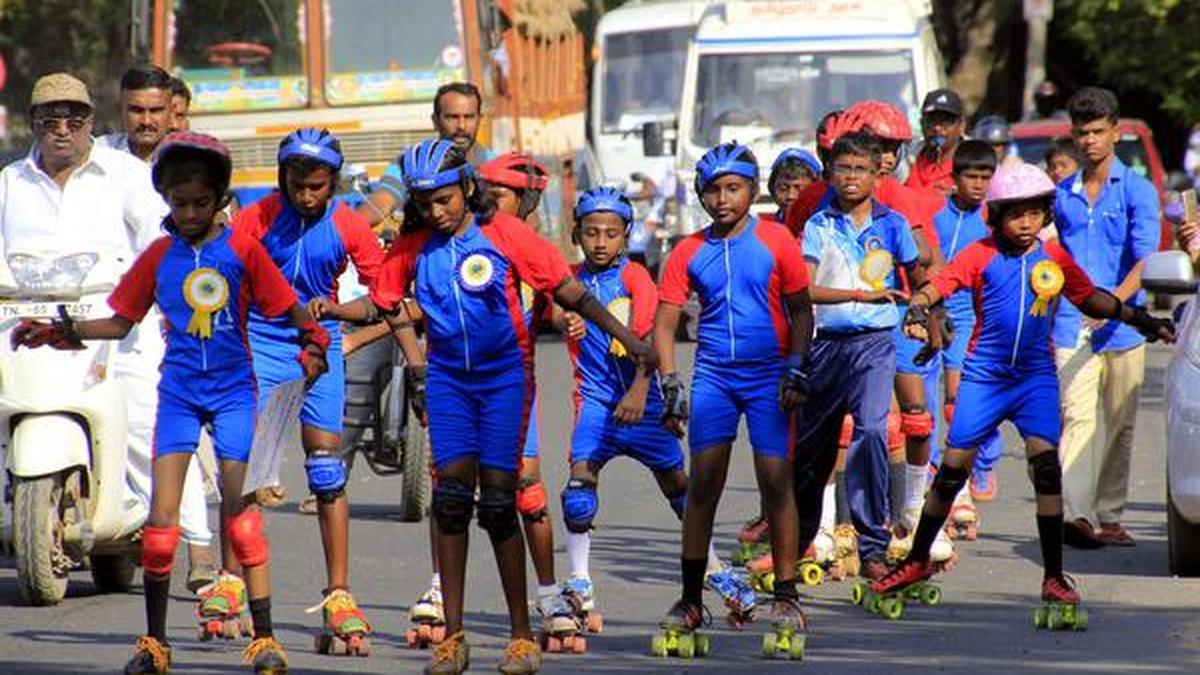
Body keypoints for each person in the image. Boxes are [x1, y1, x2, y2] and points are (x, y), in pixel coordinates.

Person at [320, 139, 656, 675]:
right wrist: (341, 315)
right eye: (425, 202)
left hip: (505, 379)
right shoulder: (413, 246)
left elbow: (569, 292)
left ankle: (521, 638)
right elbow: (383, 303)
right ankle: (453, 639)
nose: (436, 211)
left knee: (499, 504)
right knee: (451, 502)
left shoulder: (505, 233)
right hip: (448, 382)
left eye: (445, 199)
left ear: (466, 188)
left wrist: (630, 339)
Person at [12, 132, 332, 675]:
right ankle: (155, 643)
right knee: (161, 529)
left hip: (234, 392)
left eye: (200, 203)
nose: (188, 213)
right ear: (165, 199)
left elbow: (291, 310)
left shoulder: (244, 251)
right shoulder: (159, 256)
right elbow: (121, 320)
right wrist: (61, 330)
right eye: (178, 203)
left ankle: (266, 640)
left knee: (242, 521)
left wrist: (315, 345)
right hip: (179, 393)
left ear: (221, 199)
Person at [872, 162, 1173, 613]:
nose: (1027, 223)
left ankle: (1054, 577)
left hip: (1034, 378)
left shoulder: (1054, 257)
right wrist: (919, 303)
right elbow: (941, 283)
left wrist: (1140, 318)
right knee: (952, 470)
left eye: (1034, 213)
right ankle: (917, 560)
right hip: (985, 376)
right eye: (1016, 214)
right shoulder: (979, 254)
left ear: (1046, 214)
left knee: (1046, 468)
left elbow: (1090, 297)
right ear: (997, 216)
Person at [0, 73, 216, 590]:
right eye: (50, 119)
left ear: (90, 122)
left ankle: (199, 548)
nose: (62, 129)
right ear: (33, 123)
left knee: (149, 424)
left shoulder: (125, 175)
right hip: (23, 321)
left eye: (73, 119)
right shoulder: (9, 183)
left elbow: (163, 243)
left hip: (116, 324)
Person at [556, 186, 755, 635]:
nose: (600, 242)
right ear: (576, 235)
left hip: (643, 406)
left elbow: (649, 338)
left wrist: (641, 392)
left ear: (626, 236)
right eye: (591, 232)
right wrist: (564, 319)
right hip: (595, 403)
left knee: (681, 493)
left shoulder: (636, 279)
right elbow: (552, 313)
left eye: (610, 233)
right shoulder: (570, 279)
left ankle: (717, 572)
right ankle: (579, 582)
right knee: (578, 494)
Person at [652, 142, 813, 647]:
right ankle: (691, 599)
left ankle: (786, 595)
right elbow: (664, 324)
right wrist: (670, 382)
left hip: (770, 375)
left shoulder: (777, 240)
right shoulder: (687, 250)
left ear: (752, 189)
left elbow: (802, 311)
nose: (722, 199)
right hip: (715, 376)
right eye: (712, 191)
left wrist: (796, 369)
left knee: (776, 482)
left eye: (733, 188)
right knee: (703, 484)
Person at [234, 128, 383, 654]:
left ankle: (339, 593)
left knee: (326, 468)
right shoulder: (256, 216)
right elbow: (227, 273)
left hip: (323, 338)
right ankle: (232, 582)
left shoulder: (348, 223)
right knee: (247, 461)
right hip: (262, 336)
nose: (306, 196)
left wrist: (343, 313)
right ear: (282, 179)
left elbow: (383, 294)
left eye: (317, 186)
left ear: (333, 183)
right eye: (296, 185)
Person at [791, 130, 925, 582]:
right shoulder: (819, 225)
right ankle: (800, 541)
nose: (851, 177)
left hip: (875, 343)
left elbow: (920, 276)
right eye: (844, 168)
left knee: (871, 430)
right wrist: (858, 296)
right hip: (826, 343)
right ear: (830, 172)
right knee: (813, 451)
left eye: (861, 169)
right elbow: (805, 289)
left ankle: (872, 545)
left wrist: (922, 309)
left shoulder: (893, 225)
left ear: (877, 175)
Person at [476, 152, 583, 637]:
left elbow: (556, 302)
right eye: (487, 195)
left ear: (526, 202)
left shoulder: (534, 247)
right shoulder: (466, 238)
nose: (489, 204)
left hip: (513, 383)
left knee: (527, 487)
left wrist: (567, 318)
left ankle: (548, 592)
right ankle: (437, 588)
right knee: (450, 492)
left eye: (499, 196)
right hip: (458, 381)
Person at [1053, 87, 1162, 549]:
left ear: (1115, 132)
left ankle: (1109, 515)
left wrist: (1112, 303)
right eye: (1082, 133)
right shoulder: (1062, 195)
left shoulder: (1138, 190)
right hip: (1070, 322)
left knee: (1119, 424)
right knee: (1077, 416)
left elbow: (1146, 258)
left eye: (1098, 131)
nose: (1090, 141)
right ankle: (1077, 516)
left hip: (1124, 325)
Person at [931, 140, 1004, 501]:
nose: (978, 185)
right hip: (930, 310)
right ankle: (932, 466)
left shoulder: (994, 220)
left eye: (986, 178)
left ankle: (984, 463)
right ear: (954, 177)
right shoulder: (934, 213)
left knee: (961, 395)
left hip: (969, 315)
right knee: (924, 397)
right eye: (971, 177)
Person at [357, 82, 490, 229]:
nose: (461, 126)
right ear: (435, 121)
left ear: (480, 120)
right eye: (452, 117)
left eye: (469, 117)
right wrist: (348, 230)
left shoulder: (495, 165)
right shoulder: (412, 163)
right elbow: (381, 202)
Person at [97, 66, 174, 162]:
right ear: (121, 110)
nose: (146, 122)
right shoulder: (99, 153)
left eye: (155, 111)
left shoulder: (188, 157)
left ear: (171, 111)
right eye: (137, 110)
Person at [907, 88, 967, 197]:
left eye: (946, 121)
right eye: (931, 120)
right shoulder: (907, 159)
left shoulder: (975, 165)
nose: (937, 128)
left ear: (961, 125)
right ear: (921, 123)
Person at [763, 148, 821, 225]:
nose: (790, 196)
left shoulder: (827, 227)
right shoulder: (765, 227)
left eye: (799, 189)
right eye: (783, 189)